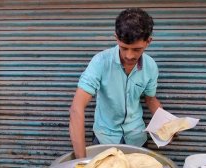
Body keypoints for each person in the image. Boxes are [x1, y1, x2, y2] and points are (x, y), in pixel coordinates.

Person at [69, 8, 162, 158]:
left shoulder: (151, 66)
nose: (129, 55)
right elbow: (76, 108)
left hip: (137, 139)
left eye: (136, 49)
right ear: (116, 38)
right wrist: (81, 161)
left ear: (148, 41)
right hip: (105, 139)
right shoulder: (100, 62)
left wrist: (167, 124)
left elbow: (150, 99)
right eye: (124, 48)